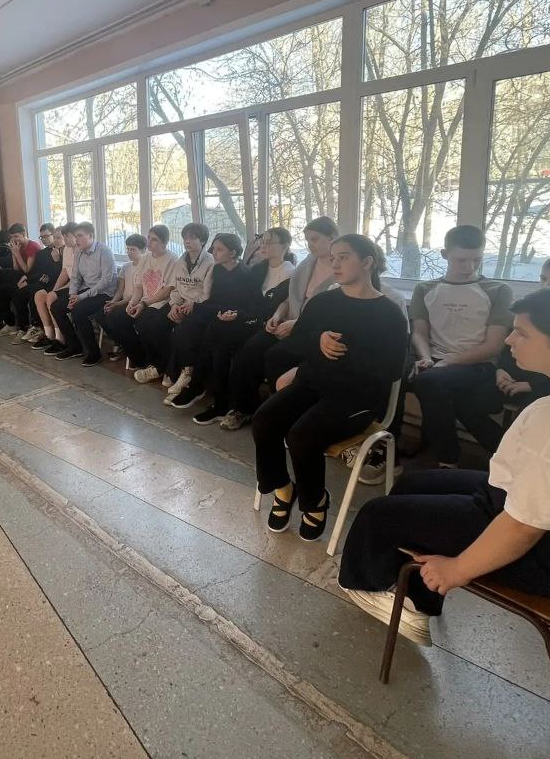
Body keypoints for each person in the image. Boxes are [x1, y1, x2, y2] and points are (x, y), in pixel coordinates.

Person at [338, 284, 550, 646]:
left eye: (521, 333)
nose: (508, 340)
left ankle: (376, 592)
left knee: (378, 515)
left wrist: (457, 570)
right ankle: (416, 595)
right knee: (415, 484)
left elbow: (522, 527)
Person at [251, 235, 409, 539]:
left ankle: (315, 502)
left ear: (367, 262)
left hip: (357, 398)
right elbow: (296, 344)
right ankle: (283, 489)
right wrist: (318, 340)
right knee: (264, 420)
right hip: (312, 385)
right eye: (333, 257)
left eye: (344, 257)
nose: (335, 263)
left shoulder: (389, 313)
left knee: (302, 435)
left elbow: (392, 370)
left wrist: (347, 351)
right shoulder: (323, 302)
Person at [452, 252, 550, 455]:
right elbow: (511, 343)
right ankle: (502, 451)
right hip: (513, 376)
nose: (547, 286)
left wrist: (530, 385)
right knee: (466, 402)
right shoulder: (531, 308)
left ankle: (516, 454)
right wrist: (501, 370)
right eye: (543, 279)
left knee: (530, 419)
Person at [407, 225, 514, 467]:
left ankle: (447, 459)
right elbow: (419, 333)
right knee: (427, 384)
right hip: (435, 361)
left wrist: (445, 363)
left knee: (428, 382)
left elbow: (494, 345)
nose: (469, 267)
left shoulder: (498, 290)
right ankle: (508, 456)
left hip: (478, 364)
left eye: (476, 259)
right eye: (461, 260)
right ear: (445, 255)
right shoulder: (425, 289)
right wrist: (426, 358)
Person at [172, 228, 296, 428]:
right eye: (262, 241)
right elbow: (245, 302)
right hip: (248, 319)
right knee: (213, 334)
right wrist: (233, 313)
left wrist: (239, 314)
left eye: (269, 242)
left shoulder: (289, 273)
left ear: (285, 246)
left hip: (263, 324)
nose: (262, 246)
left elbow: (272, 306)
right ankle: (209, 394)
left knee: (218, 334)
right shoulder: (259, 269)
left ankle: (207, 392)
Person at [230, 217, 339, 402]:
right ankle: (245, 406)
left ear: (332, 237)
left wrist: (297, 324)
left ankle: (280, 405)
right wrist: (277, 315)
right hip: (289, 322)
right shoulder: (306, 265)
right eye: (307, 240)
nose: (310, 245)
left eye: (314, 239)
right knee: (250, 349)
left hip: (315, 332)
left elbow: (331, 316)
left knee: (275, 356)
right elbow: (290, 299)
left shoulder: (340, 272)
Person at [161, 233, 250, 405]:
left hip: (234, 316)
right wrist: (185, 304)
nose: (214, 252)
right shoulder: (218, 269)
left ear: (232, 253)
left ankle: (197, 383)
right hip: (214, 309)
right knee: (183, 328)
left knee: (207, 336)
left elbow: (246, 303)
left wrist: (230, 313)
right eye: (214, 248)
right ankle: (187, 372)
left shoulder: (245, 273)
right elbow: (212, 297)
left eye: (219, 249)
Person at [134, 222, 213, 386]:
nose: (187, 241)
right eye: (185, 238)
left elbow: (207, 293)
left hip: (198, 306)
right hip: (179, 303)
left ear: (203, 241)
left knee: (179, 333)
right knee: (154, 325)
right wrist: (174, 304)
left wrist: (192, 303)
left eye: (192, 237)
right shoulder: (181, 260)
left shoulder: (210, 262)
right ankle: (160, 366)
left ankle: (168, 370)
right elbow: (176, 288)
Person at [100, 224, 176, 378]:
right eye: (149, 238)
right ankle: (140, 358)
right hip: (143, 301)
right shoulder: (146, 258)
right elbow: (139, 287)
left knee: (145, 323)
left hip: (161, 303)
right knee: (114, 318)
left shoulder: (172, 259)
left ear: (164, 242)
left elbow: (167, 290)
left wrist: (144, 304)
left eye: (154, 239)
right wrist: (132, 303)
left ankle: (160, 364)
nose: (149, 242)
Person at [47, 222, 117, 365]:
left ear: (90, 236)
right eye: (75, 236)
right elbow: (75, 277)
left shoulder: (104, 251)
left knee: (78, 310)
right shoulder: (78, 252)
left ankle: (94, 353)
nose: (76, 239)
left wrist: (81, 297)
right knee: (57, 307)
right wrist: (72, 295)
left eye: (79, 236)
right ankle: (75, 346)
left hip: (104, 293)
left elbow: (106, 281)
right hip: (86, 290)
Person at [0, 223, 41, 337]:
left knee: (14, 291)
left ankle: (23, 327)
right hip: (20, 276)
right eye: (12, 237)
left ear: (23, 234)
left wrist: (17, 253)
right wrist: (13, 254)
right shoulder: (17, 246)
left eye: (16, 236)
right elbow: (16, 269)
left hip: (32, 277)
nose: (14, 239)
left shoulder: (33, 246)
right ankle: (9, 323)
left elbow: (26, 270)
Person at [99, 233, 147, 357]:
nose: (129, 252)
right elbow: (120, 290)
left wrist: (118, 304)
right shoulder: (126, 267)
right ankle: (120, 342)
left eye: (133, 249)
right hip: (122, 301)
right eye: (128, 249)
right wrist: (113, 302)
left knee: (115, 318)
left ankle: (133, 349)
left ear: (143, 250)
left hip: (135, 302)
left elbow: (138, 292)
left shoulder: (145, 267)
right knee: (101, 314)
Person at [35, 223, 78, 352]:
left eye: (60, 237)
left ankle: (60, 338)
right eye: (57, 237)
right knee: (39, 295)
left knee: (51, 297)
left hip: (75, 286)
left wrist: (57, 261)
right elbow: (63, 273)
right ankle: (50, 335)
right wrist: (55, 289)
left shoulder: (76, 250)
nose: (58, 240)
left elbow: (74, 278)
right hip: (63, 284)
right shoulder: (64, 250)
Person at [13, 223, 57, 344]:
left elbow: (60, 271)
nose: (44, 239)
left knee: (35, 292)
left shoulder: (60, 250)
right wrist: (27, 280)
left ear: (53, 235)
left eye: (46, 236)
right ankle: (23, 327)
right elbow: (36, 271)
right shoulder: (42, 253)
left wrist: (45, 277)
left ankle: (38, 327)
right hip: (40, 282)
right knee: (18, 293)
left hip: (53, 283)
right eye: (41, 237)